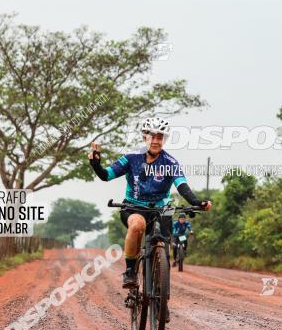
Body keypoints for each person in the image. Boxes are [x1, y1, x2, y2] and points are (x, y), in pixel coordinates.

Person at [88, 116, 211, 288]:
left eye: (159, 137)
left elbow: (181, 185)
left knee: (164, 244)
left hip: (160, 209)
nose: (155, 141)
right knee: (138, 225)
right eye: (151, 136)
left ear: (164, 139)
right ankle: (130, 271)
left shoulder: (170, 163)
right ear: (144, 137)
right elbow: (106, 175)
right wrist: (95, 164)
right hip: (133, 207)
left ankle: (161, 294)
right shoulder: (131, 158)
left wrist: (197, 202)